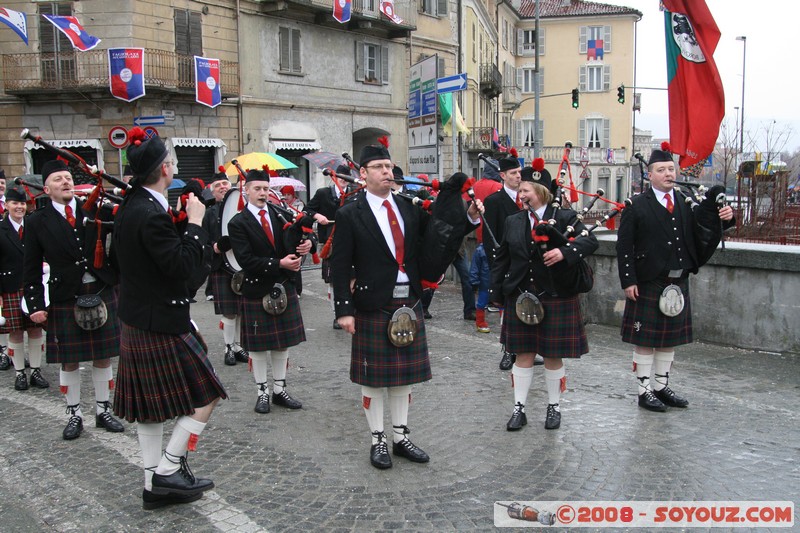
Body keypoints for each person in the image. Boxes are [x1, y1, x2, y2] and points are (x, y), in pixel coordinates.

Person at [329, 140, 482, 469]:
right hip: (372, 301)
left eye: (388, 167)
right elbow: (340, 265)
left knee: (403, 379)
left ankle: (400, 437)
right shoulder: (349, 213)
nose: (386, 172)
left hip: (409, 301)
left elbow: (437, 238)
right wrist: (344, 309)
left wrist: (468, 216)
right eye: (379, 168)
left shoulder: (409, 207)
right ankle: (378, 440)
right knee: (373, 380)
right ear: (364, 174)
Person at [113, 128, 227, 509]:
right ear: (165, 168)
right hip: (160, 320)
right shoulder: (150, 213)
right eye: (173, 162)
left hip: (138, 318)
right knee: (207, 396)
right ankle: (169, 468)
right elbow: (182, 269)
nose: (175, 167)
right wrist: (194, 224)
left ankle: (153, 486)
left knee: (150, 411)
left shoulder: (132, 206)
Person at [617, 145, 734, 412]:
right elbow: (624, 247)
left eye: (671, 169)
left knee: (668, 339)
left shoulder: (683, 201)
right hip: (648, 281)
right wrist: (628, 281)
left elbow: (702, 229)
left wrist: (725, 218)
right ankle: (644, 390)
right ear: (650, 175)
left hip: (677, 281)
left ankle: (661, 386)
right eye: (662, 170)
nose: (669, 174)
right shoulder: (636, 206)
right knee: (646, 340)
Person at [490, 163, 598, 431]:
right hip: (520, 295)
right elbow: (502, 258)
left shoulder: (563, 217)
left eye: (525, 189)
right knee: (522, 354)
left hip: (555, 294)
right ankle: (519, 409)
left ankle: (554, 407)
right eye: (520, 189)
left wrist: (565, 252)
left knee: (553, 355)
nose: (521, 194)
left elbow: (589, 241)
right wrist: (495, 292)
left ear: (538, 191)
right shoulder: (513, 221)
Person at [23, 159, 125, 440]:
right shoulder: (36, 222)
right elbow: (30, 267)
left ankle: (104, 410)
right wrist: (35, 306)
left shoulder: (95, 209)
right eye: (58, 179)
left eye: (68, 178)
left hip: (102, 291)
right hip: (65, 296)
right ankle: (74, 414)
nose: (65, 182)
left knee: (103, 357)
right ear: (46, 188)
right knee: (69, 362)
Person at [228, 168, 311, 415]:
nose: (262, 193)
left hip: (283, 286)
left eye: (265, 189)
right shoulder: (238, 223)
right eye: (257, 189)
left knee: (281, 345)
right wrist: (279, 264)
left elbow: (294, 238)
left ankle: (279, 390)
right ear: (247, 191)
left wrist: (307, 244)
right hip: (257, 288)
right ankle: (262, 392)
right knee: (257, 349)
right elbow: (245, 260)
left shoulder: (279, 213)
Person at [0, 186, 47, 390]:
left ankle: (36, 370)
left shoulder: (33, 225)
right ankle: (20, 373)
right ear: (6, 205)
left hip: (33, 286)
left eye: (22, 203)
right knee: (16, 332)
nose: (19, 207)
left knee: (35, 330)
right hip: (10, 287)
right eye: (15, 203)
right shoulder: (0, 229)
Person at [201, 168, 248, 366]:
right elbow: (202, 241)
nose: (222, 187)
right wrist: (214, 248)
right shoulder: (209, 213)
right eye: (218, 186)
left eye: (225, 184)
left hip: (243, 265)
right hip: (222, 265)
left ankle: (238, 347)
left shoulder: (242, 208)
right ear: (213, 191)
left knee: (241, 310)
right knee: (229, 311)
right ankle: (228, 348)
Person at [482, 154, 524, 370]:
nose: (518, 177)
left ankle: (526, 349)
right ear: (503, 176)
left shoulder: (528, 199)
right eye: (513, 173)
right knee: (507, 310)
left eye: (519, 173)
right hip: (505, 264)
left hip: (526, 265)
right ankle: (508, 350)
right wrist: (497, 267)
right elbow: (490, 238)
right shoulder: (494, 201)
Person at [305, 164, 357, 330]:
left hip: (353, 240)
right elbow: (308, 210)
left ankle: (353, 310)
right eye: (340, 176)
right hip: (331, 241)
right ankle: (337, 313)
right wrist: (318, 216)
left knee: (354, 277)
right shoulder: (323, 193)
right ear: (333, 177)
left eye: (346, 177)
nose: (343, 180)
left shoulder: (355, 192)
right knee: (334, 279)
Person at [469, 159, 503, 333]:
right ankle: (504, 320)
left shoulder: (476, 185)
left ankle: (481, 319)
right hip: (494, 238)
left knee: (484, 283)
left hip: (478, 235)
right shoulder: (497, 187)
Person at [0, 169, 9, 371]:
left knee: (8, 317)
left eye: (2, 182)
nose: (1, 185)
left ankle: (11, 352)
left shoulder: (9, 203)